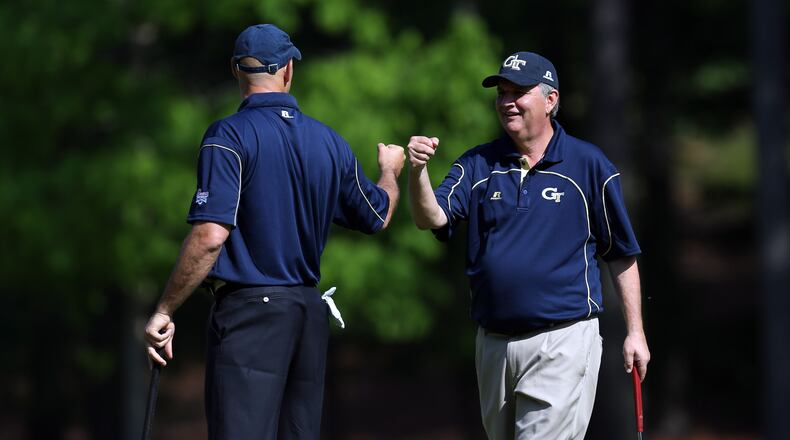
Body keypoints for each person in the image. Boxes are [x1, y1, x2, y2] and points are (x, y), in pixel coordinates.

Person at [143, 24, 405, 439]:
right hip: (306, 314)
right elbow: (377, 214)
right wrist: (390, 171)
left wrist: (165, 309)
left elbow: (210, 235)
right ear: (288, 70)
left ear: (235, 70)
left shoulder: (227, 136)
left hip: (250, 316)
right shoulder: (329, 141)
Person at [405, 51, 650, 439]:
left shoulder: (588, 165)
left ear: (550, 100)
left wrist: (635, 332)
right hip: (494, 344)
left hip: (562, 340)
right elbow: (431, 218)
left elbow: (620, 253)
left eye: (519, 92)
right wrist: (417, 172)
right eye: (502, 93)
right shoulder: (478, 164)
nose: (507, 102)